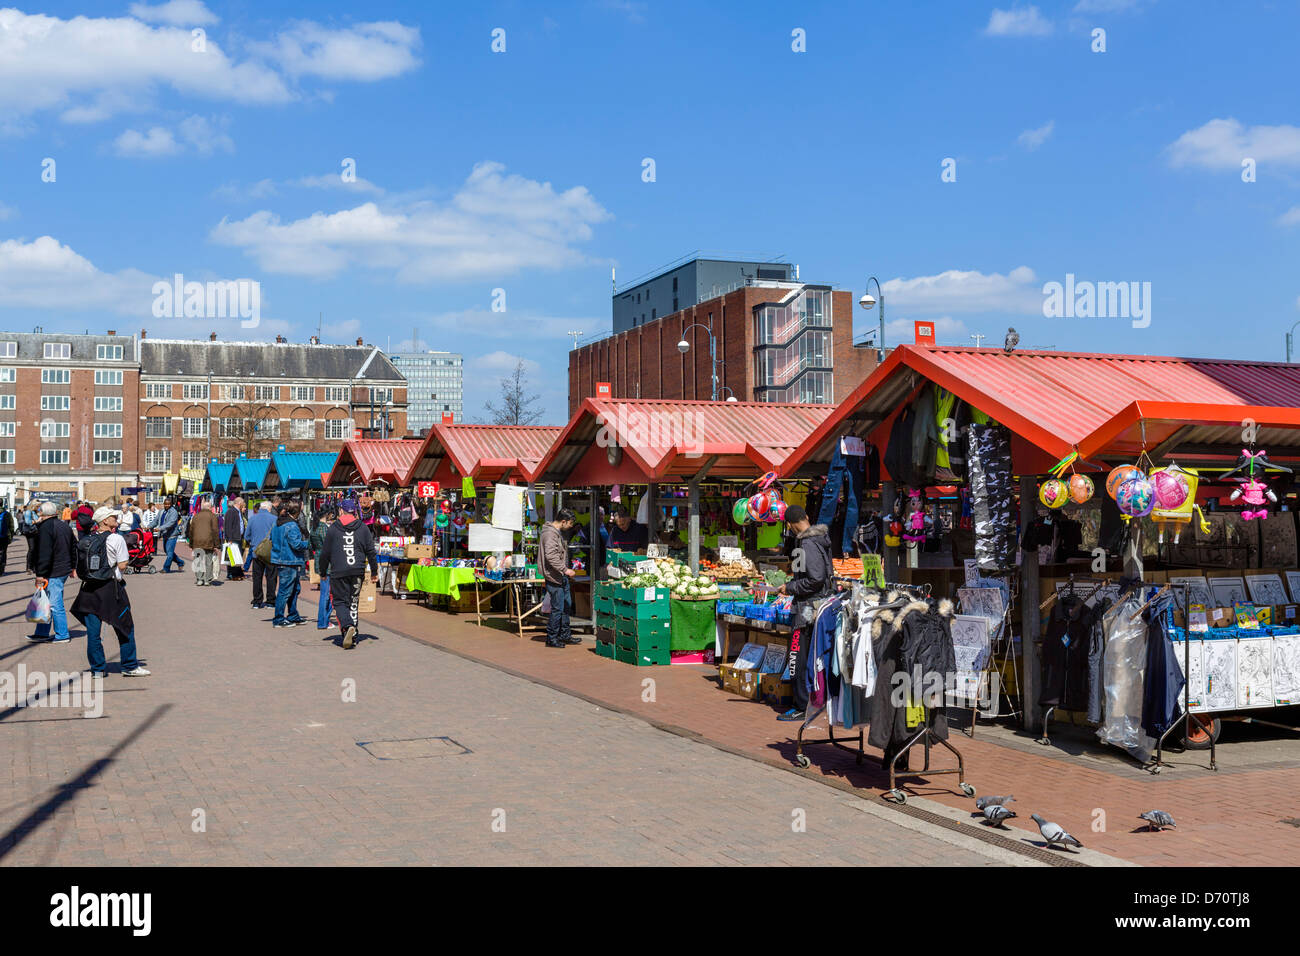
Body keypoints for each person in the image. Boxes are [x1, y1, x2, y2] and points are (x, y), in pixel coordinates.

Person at [70, 506, 150, 678]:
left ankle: (97, 669)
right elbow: (122, 565)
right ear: (105, 521)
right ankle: (129, 665)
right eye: (113, 516)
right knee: (125, 626)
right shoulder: (116, 538)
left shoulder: (88, 538)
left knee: (93, 632)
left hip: (89, 589)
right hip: (110, 588)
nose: (116, 518)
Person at [776, 505, 833, 721]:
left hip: (806, 610)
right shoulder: (820, 539)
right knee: (812, 658)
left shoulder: (807, 544)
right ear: (807, 517)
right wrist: (792, 584)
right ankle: (814, 701)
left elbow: (815, 579)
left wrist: (790, 588)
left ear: (790, 526)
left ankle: (801, 705)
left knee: (797, 658)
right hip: (817, 607)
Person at [319, 502, 378, 649]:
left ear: (341, 511)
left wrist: (322, 571)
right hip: (357, 570)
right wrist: (374, 572)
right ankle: (354, 633)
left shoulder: (333, 528)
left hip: (339, 571)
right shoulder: (363, 528)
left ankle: (347, 626)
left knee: (339, 602)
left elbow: (325, 553)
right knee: (353, 602)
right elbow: (371, 551)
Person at [27, 501, 77, 644]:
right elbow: (73, 546)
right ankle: (42, 633)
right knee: (46, 602)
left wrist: (40, 574)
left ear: (43, 513)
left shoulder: (46, 528)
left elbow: (44, 553)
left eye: (39, 512)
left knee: (54, 603)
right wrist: (73, 566)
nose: (38, 514)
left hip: (54, 570)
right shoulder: (63, 526)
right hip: (62, 568)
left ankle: (62, 634)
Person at [539, 508, 580, 648]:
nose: (570, 527)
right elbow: (550, 556)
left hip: (560, 577)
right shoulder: (550, 534)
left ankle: (565, 634)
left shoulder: (556, 533)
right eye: (570, 524)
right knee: (557, 608)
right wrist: (565, 570)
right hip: (554, 577)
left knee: (565, 606)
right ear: (563, 521)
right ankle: (552, 638)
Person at [270, 501, 309, 628]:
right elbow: (296, 544)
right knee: (285, 590)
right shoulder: (291, 525)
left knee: (293, 590)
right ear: (297, 512)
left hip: (283, 559)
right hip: (289, 560)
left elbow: (272, 538)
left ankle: (292, 615)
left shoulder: (278, 523)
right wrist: (308, 543)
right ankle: (279, 618)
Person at [246, 500, 278, 609]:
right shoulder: (274, 519)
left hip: (257, 552)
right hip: (270, 553)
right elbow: (277, 536)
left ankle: (257, 601)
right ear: (269, 509)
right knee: (271, 577)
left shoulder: (252, 519)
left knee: (257, 577)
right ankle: (270, 601)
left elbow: (246, 536)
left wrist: (253, 542)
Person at [312, 509, 336, 629]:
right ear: (326, 515)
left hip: (319, 559)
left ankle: (324, 620)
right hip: (327, 563)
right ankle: (324, 621)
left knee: (325, 593)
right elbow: (330, 546)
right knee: (326, 594)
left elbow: (310, 545)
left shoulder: (314, 527)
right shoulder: (324, 528)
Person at [187, 501, 221, 587]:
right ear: (210, 508)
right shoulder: (213, 516)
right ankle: (207, 580)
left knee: (198, 560)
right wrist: (217, 544)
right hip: (209, 541)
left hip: (197, 541)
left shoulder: (196, 516)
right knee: (208, 561)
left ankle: (199, 579)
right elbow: (215, 531)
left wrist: (191, 544)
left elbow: (191, 531)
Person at [156, 497, 185, 572]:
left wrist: (160, 528)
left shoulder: (173, 512)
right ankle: (180, 562)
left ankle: (166, 568)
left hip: (172, 535)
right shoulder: (161, 511)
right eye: (166, 504)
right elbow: (155, 520)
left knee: (169, 553)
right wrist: (148, 526)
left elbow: (170, 523)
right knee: (168, 552)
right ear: (164, 504)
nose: (167, 505)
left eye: (169, 504)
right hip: (165, 535)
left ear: (171, 504)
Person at [223, 496, 246, 581]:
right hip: (233, 538)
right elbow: (228, 526)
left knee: (236, 556)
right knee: (233, 557)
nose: (243, 505)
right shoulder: (231, 511)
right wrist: (229, 538)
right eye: (243, 503)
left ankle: (236, 573)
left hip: (238, 537)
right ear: (239, 503)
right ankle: (233, 574)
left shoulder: (238, 511)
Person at [0, 498, 12, 575]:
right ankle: (1, 569)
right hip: (4, 537)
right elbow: (11, 527)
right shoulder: (7, 514)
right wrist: (10, 537)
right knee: (3, 552)